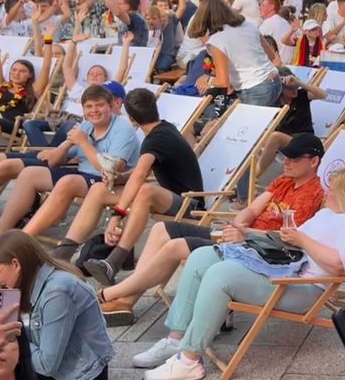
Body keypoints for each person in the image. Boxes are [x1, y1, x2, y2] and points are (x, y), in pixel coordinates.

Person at [137, 167, 345, 380]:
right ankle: (175, 338)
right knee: (201, 257)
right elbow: (286, 241)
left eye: (333, 189)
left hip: (303, 286)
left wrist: (302, 239)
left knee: (221, 275)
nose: (327, 193)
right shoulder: (326, 215)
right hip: (281, 268)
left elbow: (338, 265)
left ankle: (189, 361)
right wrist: (248, 234)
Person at [97, 133, 327, 325]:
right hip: (241, 236)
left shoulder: (313, 194)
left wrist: (244, 234)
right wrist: (239, 224)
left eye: (294, 159)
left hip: (260, 250)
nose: (286, 163)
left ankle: (109, 294)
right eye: (285, 158)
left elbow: (289, 237)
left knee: (175, 247)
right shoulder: (283, 181)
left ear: (313, 161)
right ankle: (125, 302)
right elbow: (253, 210)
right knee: (161, 229)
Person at [0, 84, 141, 260]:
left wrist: (84, 144)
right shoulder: (86, 126)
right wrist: (65, 146)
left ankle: (22, 242)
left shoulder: (123, 130)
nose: (94, 110)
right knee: (29, 174)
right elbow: (55, 162)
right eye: (89, 106)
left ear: (111, 106)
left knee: (67, 182)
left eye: (99, 105)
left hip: (106, 181)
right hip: (81, 175)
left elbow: (111, 170)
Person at [50, 88, 204, 277]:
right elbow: (139, 171)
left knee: (145, 191)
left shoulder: (156, 140)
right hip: (171, 198)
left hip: (190, 204)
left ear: (131, 119)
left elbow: (139, 176)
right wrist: (120, 178)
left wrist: (117, 215)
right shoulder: (164, 130)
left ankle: (114, 261)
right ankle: (63, 253)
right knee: (99, 189)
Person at [0, 232, 112, 380]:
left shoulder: (57, 292)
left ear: (15, 264)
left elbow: (46, 365)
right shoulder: (40, 279)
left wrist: (11, 341)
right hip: (64, 369)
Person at [187, 0, 281, 107]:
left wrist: (207, 80)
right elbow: (272, 56)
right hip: (274, 81)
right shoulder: (248, 26)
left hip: (254, 87)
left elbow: (223, 82)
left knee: (246, 124)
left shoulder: (216, 41)